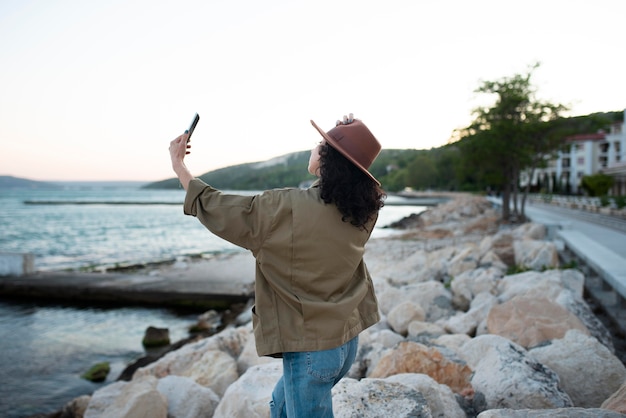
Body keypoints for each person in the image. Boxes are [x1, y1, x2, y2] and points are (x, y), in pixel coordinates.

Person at [168, 114, 386, 417]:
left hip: (312, 349)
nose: (314, 148)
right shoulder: (363, 211)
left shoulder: (285, 208)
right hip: (345, 342)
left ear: (328, 158)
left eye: (319, 144)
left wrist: (179, 165)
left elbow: (218, 207)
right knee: (279, 407)